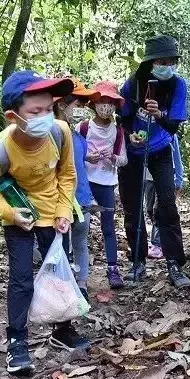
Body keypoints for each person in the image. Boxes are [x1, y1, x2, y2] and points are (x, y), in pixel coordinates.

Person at [0, 70, 91, 376]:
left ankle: (63, 328)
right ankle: (17, 340)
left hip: (54, 213)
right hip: (20, 216)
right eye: (35, 111)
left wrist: (63, 211)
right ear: (12, 116)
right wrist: (10, 214)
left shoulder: (60, 132)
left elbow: (67, 174)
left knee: (60, 271)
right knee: (20, 278)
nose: (45, 116)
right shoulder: (2, 148)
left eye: (48, 109)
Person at [119, 35, 190, 287]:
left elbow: (174, 126)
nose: (166, 65)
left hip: (160, 150)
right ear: (150, 63)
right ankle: (137, 262)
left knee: (167, 205)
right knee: (132, 206)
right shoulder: (132, 85)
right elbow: (123, 118)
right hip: (134, 152)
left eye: (170, 61)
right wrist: (131, 137)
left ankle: (174, 263)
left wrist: (159, 113)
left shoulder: (178, 86)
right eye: (161, 60)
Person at [53, 79, 100, 300]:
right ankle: (62, 285)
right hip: (59, 202)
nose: (82, 109)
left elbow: (79, 168)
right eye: (79, 104)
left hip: (82, 198)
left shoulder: (77, 137)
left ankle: (81, 285)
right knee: (59, 245)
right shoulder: (52, 134)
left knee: (81, 241)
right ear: (62, 104)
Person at [78, 81, 127, 289]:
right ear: (94, 104)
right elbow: (74, 154)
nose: (105, 106)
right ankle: (77, 269)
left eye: (110, 102)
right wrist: (88, 157)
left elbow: (124, 159)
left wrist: (114, 157)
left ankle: (113, 268)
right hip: (86, 183)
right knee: (80, 227)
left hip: (107, 183)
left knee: (108, 226)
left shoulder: (118, 131)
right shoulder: (83, 127)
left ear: (115, 105)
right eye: (102, 101)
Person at [146, 134, 183, 257]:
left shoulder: (169, 135)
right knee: (150, 209)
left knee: (159, 210)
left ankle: (157, 244)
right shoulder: (143, 131)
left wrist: (179, 179)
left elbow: (176, 157)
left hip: (165, 176)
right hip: (148, 178)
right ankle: (161, 237)